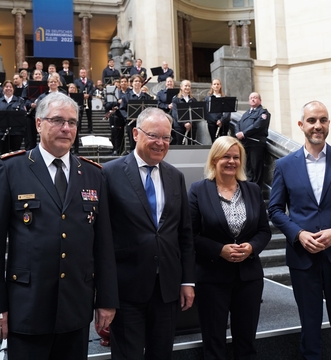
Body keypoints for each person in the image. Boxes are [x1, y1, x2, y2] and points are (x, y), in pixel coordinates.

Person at [0, 92, 119, 359]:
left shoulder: (93, 174)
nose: (66, 128)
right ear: (39, 123)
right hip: (27, 309)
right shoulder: (11, 170)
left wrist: (107, 301)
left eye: (72, 122)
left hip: (75, 309)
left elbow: (103, 245)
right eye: (57, 120)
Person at [268, 100, 331, 360]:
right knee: (309, 330)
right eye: (311, 120)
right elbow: (274, 209)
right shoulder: (285, 165)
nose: (317, 125)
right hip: (303, 259)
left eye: (323, 120)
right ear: (301, 125)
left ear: (329, 123)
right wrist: (298, 234)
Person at [103, 107, 195, 360]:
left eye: (166, 138)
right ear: (135, 133)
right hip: (126, 289)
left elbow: (184, 233)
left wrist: (187, 281)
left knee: (162, 354)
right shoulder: (108, 173)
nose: (160, 143)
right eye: (154, 135)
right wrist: (105, 295)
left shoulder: (175, 176)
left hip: (166, 288)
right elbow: (101, 239)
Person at [188, 136, 271, 360]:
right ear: (214, 159)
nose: (231, 161)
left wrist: (252, 247)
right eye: (226, 156)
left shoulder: (252, 190)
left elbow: (264, 230)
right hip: (212, 278)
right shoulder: (198, 190)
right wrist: (219, 250)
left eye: (236, 157)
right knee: (214, 343)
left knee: (246, 343)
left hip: (249, 278)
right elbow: (190, 235)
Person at [235, 92, 270, 188]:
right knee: (247, 168)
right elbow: (238, 124)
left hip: (256, 144)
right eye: (251, 98)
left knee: (256, 168)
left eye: (255, 98)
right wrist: (237, 132)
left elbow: (257, 125)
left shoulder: (263, 113)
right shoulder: (246, 113)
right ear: (248, 101)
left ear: (260, 100)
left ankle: (257, 191)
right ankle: (249, 189)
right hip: (245, 144)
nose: (253, 99)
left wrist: (243, 133)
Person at [119, 74, 152, 151]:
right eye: (135, 81)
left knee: (144, 144)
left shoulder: (147, 96)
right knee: (133, 145)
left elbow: (150, 109)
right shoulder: (126, 96)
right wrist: (128, 116)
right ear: (132, 83)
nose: (137, 83)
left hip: (144, 125)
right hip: (131, 124)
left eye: (139, 81)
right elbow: (122, 109)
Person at [104, 77, 129, 155]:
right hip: (117, 116)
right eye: (122, 82)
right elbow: (107, 104)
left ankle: (124, 150)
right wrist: (117, 102)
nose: (123, 83)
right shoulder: (116, 93)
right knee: (116, 134)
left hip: (128, 115)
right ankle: (117, 150)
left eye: (125, 82)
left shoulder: (130, 92)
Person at [0, 80, 26, 154]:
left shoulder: (19, 101)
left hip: (16, 132)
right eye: (6, 87)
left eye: (10, 87)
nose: (8, 88)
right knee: (3, 154)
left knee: (16, 154)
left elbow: (23, 116)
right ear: (3, 89)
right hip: (2, 132)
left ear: (13, 89)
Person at [171, 79, 198, 145]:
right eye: (186, 86)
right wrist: (184, 123)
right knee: (179, 145)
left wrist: (191, 123)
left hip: (191, 126)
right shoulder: (176, 99)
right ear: (181, 87)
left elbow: (196, 114)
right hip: (179, 126)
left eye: (189, 86)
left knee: (191, 145)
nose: (187, 87)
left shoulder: (193, 100)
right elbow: (175, 113)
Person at [205, 78, 231, 143]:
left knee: (224, 142)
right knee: (214, 141)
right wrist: (216, 120)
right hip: (212, 123)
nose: (216, 86)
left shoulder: (225, 97)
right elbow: (207, 111)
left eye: (218, 84)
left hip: (223, 123)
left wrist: (221, 120)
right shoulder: (208, 98)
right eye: (214, 84)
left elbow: (228, 111)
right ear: (212, 86)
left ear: (220, 85)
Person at [74, 68, 95, 133]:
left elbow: (92, 89)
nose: (83, 74)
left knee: (89, 116)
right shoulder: (76, 81)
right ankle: (79, 129)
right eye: (81, 72)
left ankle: (90, 129)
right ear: (79, 73)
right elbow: (76, 90)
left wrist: (89, 94)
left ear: (86, 73)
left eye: (84, 72)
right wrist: (81, 95)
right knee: (80, 115)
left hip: (88, 100)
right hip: (80, 100)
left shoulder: (90, 81)